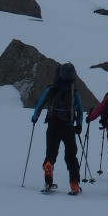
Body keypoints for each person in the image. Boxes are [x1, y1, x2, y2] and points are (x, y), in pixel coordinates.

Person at [31, 62, 85, 194]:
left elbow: (41, 104)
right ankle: (74, 183)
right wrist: (79, 124)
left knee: (51, 152)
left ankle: (48, 169)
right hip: (68, 127)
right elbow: (81, 109)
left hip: (53, 125)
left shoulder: (52, 88)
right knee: (71, 156)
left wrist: (35, 117)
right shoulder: (74, 91)